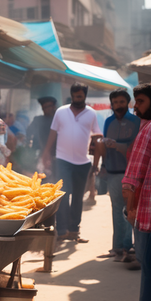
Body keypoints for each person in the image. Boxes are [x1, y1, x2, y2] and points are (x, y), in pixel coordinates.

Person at [41, 83, 102, 243]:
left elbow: (97, 138)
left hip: (83, 163)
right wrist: (46, 153)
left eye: (80, 97)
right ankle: (62, 230)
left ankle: (74, 231)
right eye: (75, 96)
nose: (77, 99)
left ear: (85, 96)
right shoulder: (61, 112)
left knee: (77, 198)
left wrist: (95, 164)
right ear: (71, 95)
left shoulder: (91, 114)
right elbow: (53, 133)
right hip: (63, 161)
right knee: (63, 195)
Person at [122, 83, 151, 301]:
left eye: (140, 101)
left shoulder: (149, 129)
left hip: (149, 218)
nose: (135, 107)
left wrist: (131, 210)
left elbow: (132, 178)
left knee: (150, 272)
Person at [93, 88, 140, 263]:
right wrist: (103, 166)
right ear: (111, 105)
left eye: (121, 102)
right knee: (116, 210)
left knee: (128, 211)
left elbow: (134, 148)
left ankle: (129, 248)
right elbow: (104, 145)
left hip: (131, 173)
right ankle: (117, 248)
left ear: (128, 103)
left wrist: (117, 145)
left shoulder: (136, 121)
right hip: (112, 172)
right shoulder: (108, 121)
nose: (118, 105)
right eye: (115, 103)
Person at [27, 96, 58, 179]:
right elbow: (29, 133)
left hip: (58, 155)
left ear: (54, 106)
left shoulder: (59, 119)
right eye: (44, 107)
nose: (46, 109)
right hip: (42, 154)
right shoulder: (38, 120)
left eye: (49, 106)